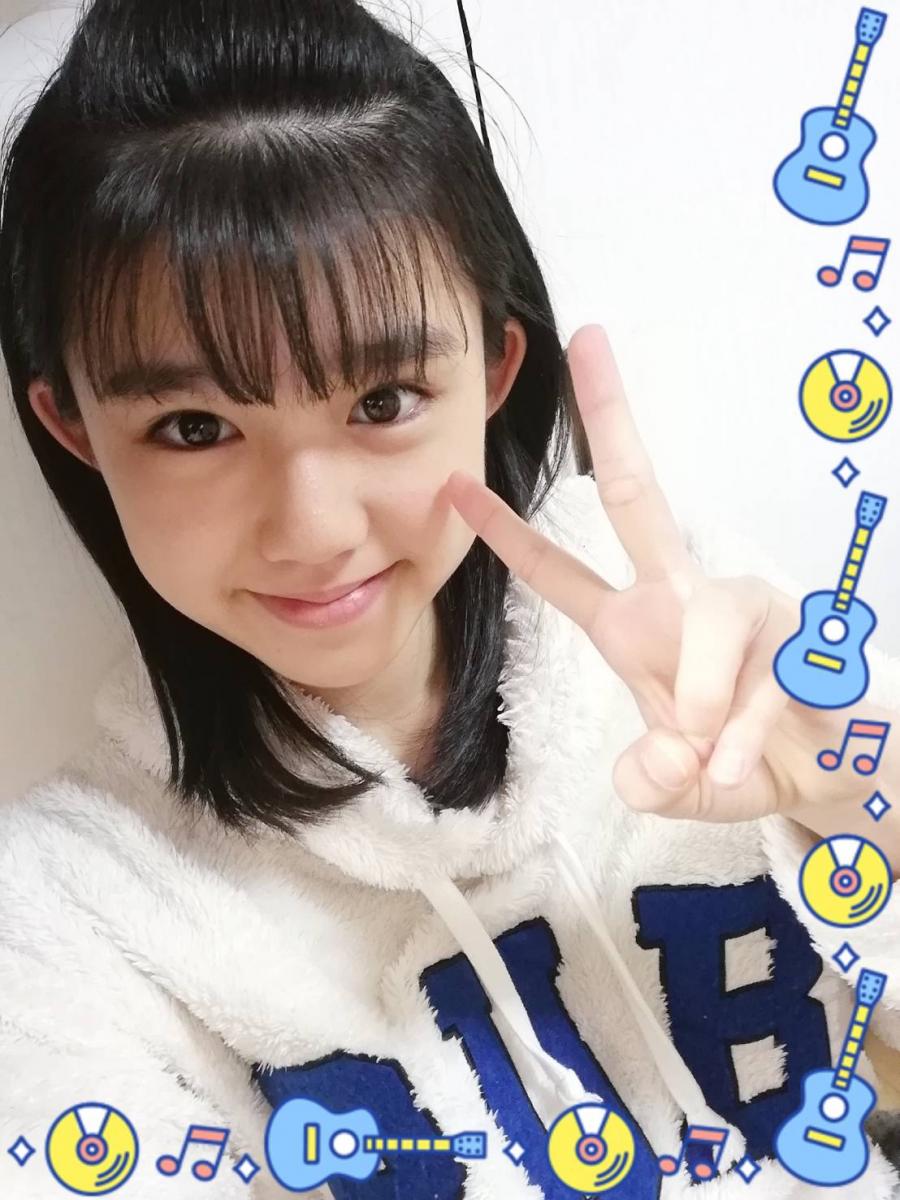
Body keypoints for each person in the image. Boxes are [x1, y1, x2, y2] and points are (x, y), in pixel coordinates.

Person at [1, 2, 899, 1197]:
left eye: (382, 402)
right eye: (195, 426)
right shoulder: (68, 918)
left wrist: (866, 804)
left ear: (492, 369)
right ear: (74, 427)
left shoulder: (713, 659)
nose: (314, 529)